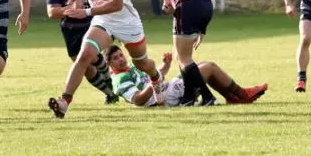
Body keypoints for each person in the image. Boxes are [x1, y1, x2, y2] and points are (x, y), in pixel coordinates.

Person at [49, 0, 164, 119]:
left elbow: (117, 5)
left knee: (142, 64)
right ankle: (64, 102)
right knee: (84, 56)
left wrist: (86, 11)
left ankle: (156, 78)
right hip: (104, 20)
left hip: (127, 23)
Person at [47, 0, 117, 104]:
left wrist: (86, 7)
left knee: (90, 55)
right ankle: (110, 93)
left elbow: (108, 1)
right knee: (85, 68)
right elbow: (51, 12)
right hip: (70, 29)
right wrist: (70, 8)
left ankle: (109, 81)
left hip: (92, 24)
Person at [152, 0, 218, 105]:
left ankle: (208, 97)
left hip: (187, 5)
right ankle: (188, 97)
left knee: (183, 58)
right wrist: (203, 28)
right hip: (206, 7)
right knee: (182, 57)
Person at [107, 47, 267, 107]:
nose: (121, 59)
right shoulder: (119, 79)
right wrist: (153, 83)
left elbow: (157, 76)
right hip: (164, 99)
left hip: (167, 89)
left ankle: (233, 96)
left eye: (121, 55)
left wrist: (165, 66)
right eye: (116, 58)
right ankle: (241, 94)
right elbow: (138, 100)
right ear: (109, 64)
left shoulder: (133, 67)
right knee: (208, 67)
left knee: (202, 65)